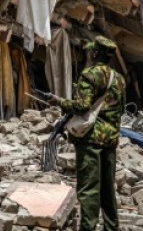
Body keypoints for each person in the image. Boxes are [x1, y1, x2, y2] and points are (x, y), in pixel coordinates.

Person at [47, 36, 126, 231]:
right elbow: (122, 109)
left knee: (89, 188)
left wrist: (58, 101)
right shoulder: (119, 79)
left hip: (90, 139)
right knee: (107, 188)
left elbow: (82, 106)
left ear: (95, 53)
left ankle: (88, 228)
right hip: (110, 139)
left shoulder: (89, 75)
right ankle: (111, 227)